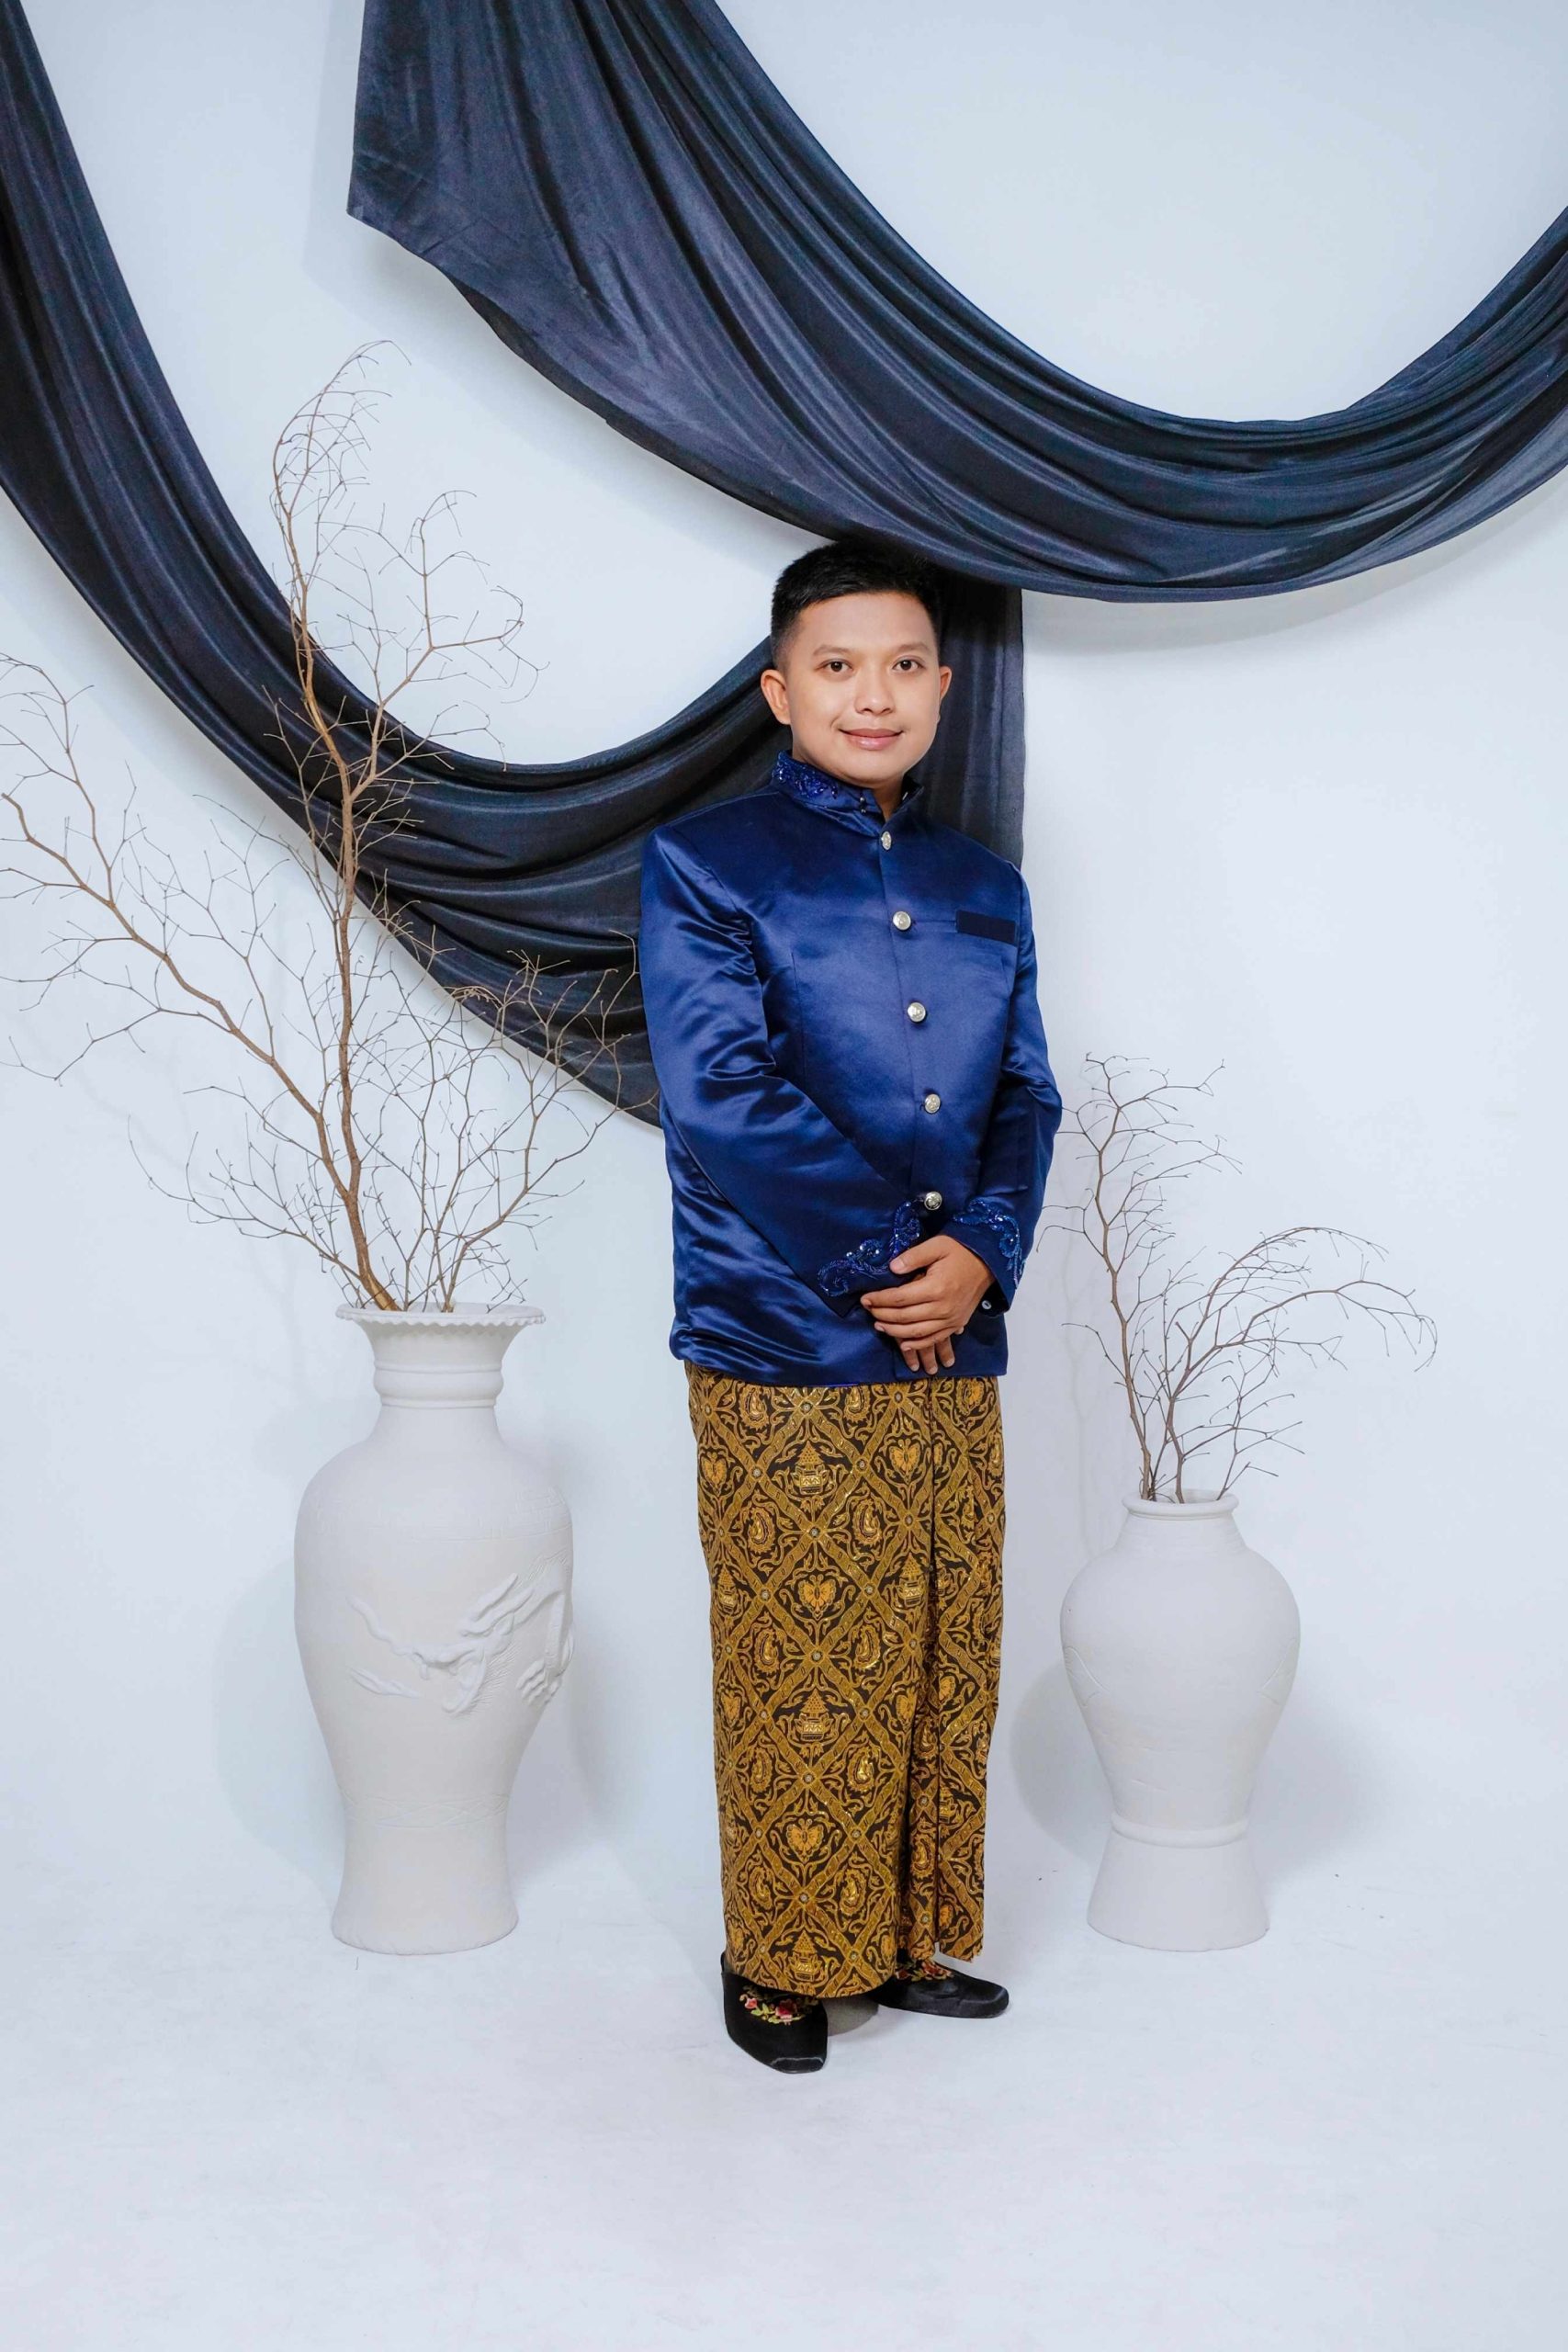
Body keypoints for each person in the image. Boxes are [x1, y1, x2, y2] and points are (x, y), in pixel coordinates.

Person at [637, 540, 1063, 2073]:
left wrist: (982, 1256)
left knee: (943, 1643)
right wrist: (897, 1266)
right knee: (805, 1657)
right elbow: (722, 1098)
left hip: (958, 1338)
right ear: (780, 691)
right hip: (786, 1337)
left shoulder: (987, 889)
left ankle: (902, 1938)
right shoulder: (707, 866)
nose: (870, 694)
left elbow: (1025, 1094)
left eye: (901, 666)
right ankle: (777, 1958)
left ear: (942, 687)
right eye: (836, 666)